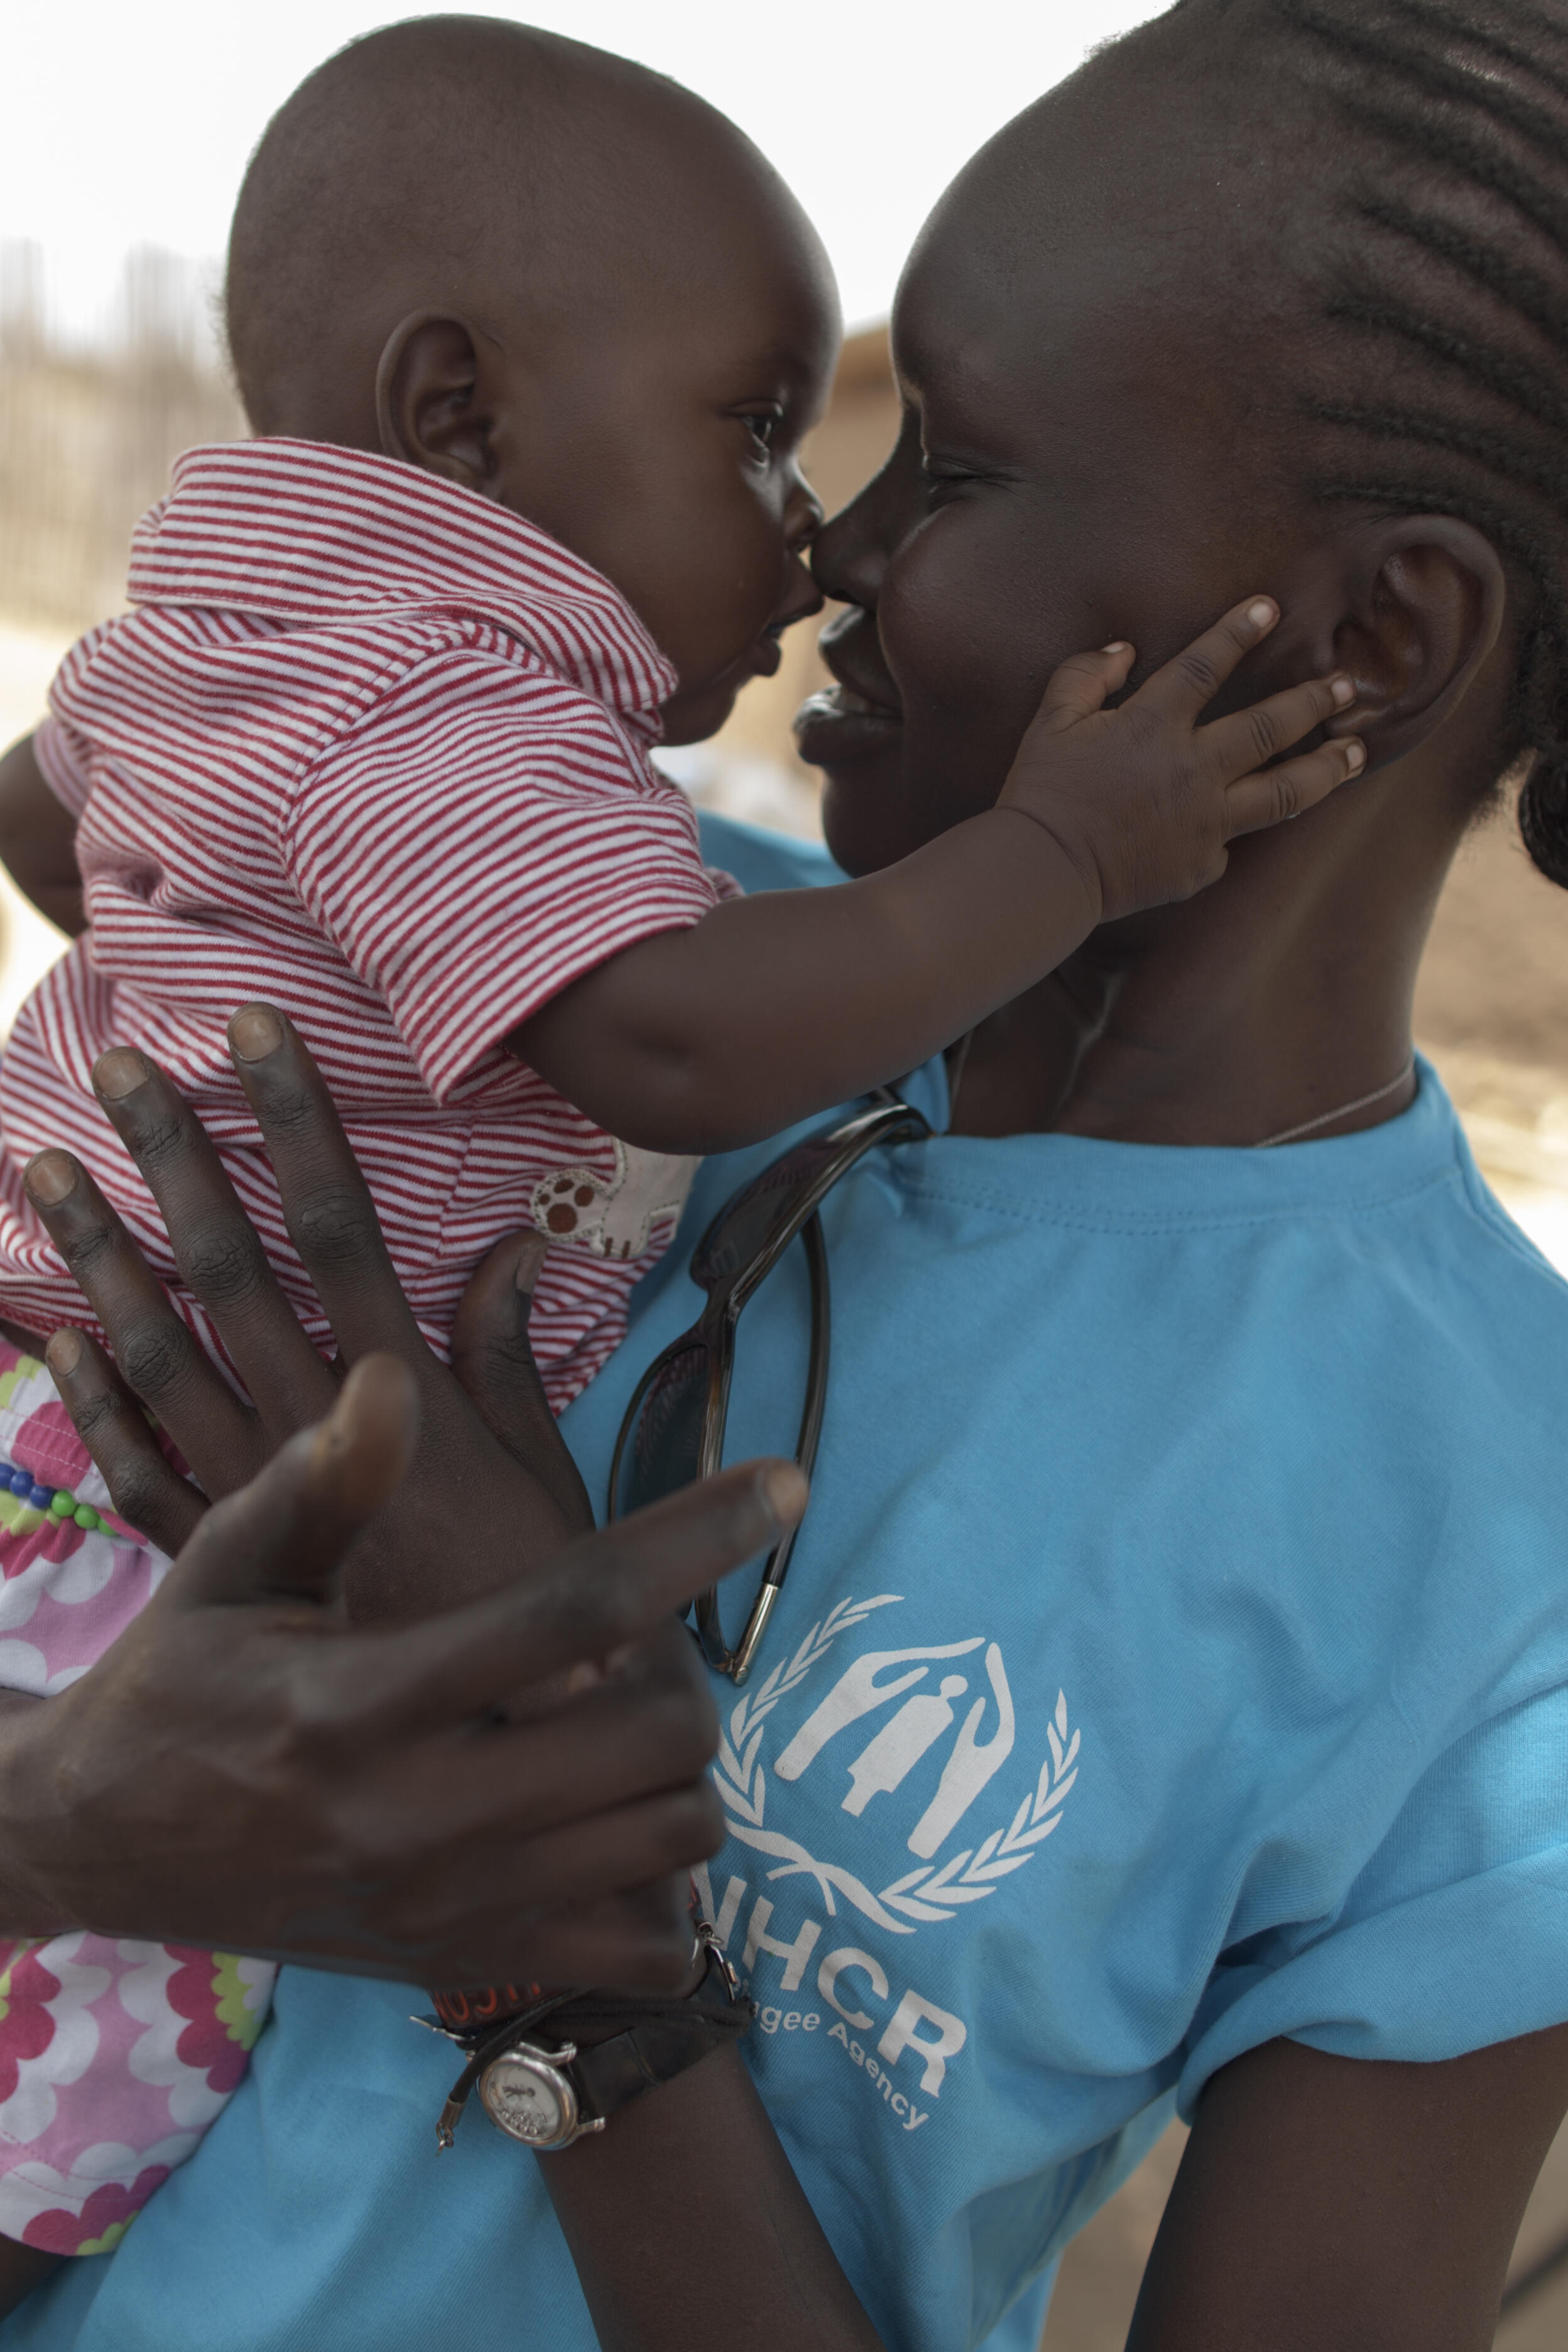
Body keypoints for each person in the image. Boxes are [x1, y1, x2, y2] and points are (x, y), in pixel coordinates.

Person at [6, 0, 1568, 2343]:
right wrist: (65, 1811)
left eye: (960, 462)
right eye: (816, 443)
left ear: (1374, 636)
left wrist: (560, 1936)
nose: (837, 545)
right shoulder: (523, 965)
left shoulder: (1496, 1571)